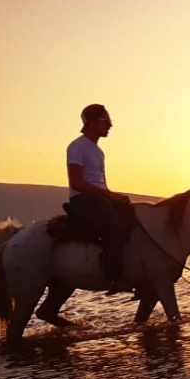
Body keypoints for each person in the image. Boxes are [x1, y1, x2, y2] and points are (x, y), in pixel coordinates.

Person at [66, 104, 134, 294]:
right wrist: (108, 194)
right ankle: (113, 276)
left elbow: (102, 185)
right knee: (115, 223)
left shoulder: (99, 151)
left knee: (136, 217)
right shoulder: (77, 146)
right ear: (91, 122)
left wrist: (113, 196)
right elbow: (77, 182)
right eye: (106, 121)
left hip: (99, 199)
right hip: (83, 201)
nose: (110, 125)